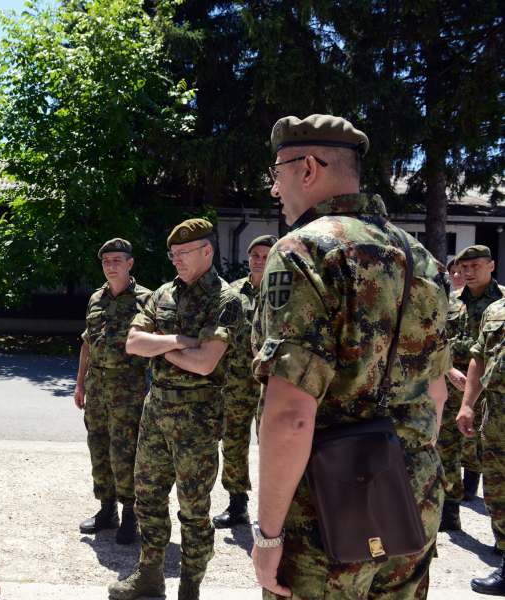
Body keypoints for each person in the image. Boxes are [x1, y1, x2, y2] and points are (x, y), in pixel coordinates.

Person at [250, 114, 451, 599]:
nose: (274, 189)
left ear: (309, 168)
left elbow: (292, 417)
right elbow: (438, 392)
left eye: (276, 174)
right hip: (411, 499)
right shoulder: (420, 258)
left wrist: (269, 535)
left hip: (328, 509)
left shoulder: (303, 251)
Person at [107, 218, 242, 600]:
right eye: (173, 254)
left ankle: (189, 586)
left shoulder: (225, 300)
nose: (176, 260)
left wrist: (161, 344)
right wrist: (182, 340)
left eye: (184, 253)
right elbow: (133, 343)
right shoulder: (162, 293)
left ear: (207, 251)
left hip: (196, 419)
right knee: (147, 498)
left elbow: (205, 363)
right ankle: (149, 575)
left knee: (194, 510)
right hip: (156, 412)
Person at [74, 238, 152, 544]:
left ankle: (131, 513)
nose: (111, 266)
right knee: (99, 448)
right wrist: (80, 384)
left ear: (130, 264)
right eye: (107, 261)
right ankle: (107, 509)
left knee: (125, 452)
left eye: (117, 260)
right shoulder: (96, 298)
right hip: (97, 387)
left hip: (129, 389)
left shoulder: (147, 299)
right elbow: (86, 344)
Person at [213, 234, 277, 529]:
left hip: (271, 384)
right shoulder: (233, 292)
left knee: (274, 446)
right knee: (234, 443)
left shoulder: (282, 290)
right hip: (237, 382)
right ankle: (237, 505)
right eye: (255, 255)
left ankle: (276, 509)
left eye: (265, 256)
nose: (259, 260)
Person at [439, 245, 505, 529]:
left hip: (492, 392)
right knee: (445, 448)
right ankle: (451, 510)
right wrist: (450, 369)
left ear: (491, 266)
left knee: (487, 455)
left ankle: (498, 534)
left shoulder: (502, 302)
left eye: (475, 266)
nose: (467, 272)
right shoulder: (451, 302)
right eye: (463, 268)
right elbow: (436, 341)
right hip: (454, 388)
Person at [457, 296, 505, 594]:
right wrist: (467, 404)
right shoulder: (496, 310)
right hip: (496, 414)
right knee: (498, 490)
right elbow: (479, 357)